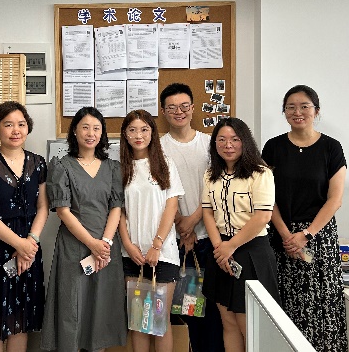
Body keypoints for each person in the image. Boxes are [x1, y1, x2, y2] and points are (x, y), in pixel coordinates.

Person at [262, 85, 347, 352]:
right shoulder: (273, 147)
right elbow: (266, 197)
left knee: (322, 304)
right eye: (291, 107)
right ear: (284, 112)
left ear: (316, 111)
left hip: (319, 237)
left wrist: (306, 234)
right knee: (284, 302)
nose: (297, 112)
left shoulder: (331, 148)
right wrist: (286, 235)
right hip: (281, 236)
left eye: (304, 106)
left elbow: (335, 199)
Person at [41, 107, 127, 352]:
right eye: (85, 127)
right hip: (74, 247)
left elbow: (116, 207)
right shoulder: (61, 165)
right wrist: (92, 244)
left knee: (100, 310)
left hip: (106, 248)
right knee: (73, 308)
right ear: (75, 131)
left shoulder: (113, 167)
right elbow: (63, 211)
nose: (91, 133)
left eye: (96, 128)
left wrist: (104, 244)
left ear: (102, 133)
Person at [0, 101, 49, 352]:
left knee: (19, 321)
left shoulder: (38, 163)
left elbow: (43, 207)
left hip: (30, 249)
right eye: (8, 124)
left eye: (21, 124)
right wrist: (19, 245)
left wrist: (30, 243)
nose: (16, 130)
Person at [201, 117, 279, 352]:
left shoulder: (260, 173)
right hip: (221, 253)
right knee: (229, 323)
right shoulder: (211, 174)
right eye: (222, 140)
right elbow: (207, 212)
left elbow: (263, 217)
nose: (228, 145)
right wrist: (220, 248)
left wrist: (230, 246)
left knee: (250, 328)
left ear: (245, 141)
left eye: (235, 139)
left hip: (251, 252)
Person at [159, 83, 224, 352]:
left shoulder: (210, 144)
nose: (179, 112)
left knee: (213, 312)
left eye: (184, 106)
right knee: (185, 311)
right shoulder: (158, 147)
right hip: (173, 242)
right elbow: (160, 191)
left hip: (209, 237)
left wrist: (193, 220)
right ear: (163, 112)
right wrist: (181, 226)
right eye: (172, 107)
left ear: (193, 108)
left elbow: (218, 187)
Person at [119, 109, 183, 352]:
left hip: (163, 254)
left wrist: (157, 245)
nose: (139, 135)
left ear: (152, 133)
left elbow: (171, 206)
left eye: (144, 129)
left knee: (159, 321)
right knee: (138, 322)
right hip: (131, 255)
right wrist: (128, 245)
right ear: (125, 134)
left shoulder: (165, 164)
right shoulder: (120, 168)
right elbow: (119, 211)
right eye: (132, 130)